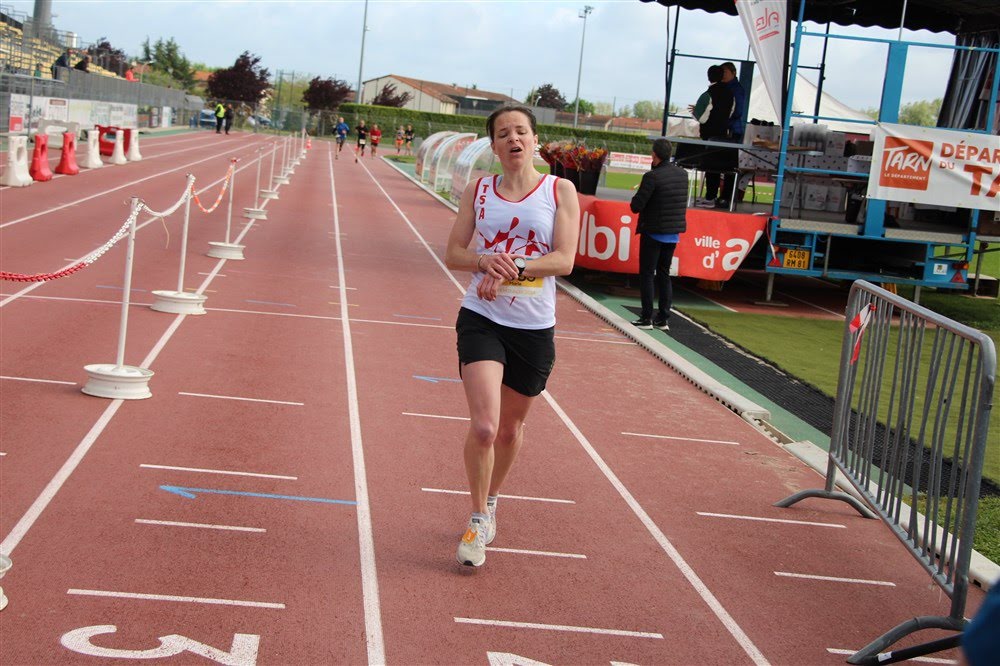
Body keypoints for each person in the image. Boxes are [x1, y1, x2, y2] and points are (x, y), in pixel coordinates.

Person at [444, 105, 580, 568]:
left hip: (533, 325)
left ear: (535, 140)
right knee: (484, 426)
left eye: (521, 131)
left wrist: (517, 266)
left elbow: (564, 260)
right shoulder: (478, 190)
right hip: (481, 316)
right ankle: (478, 518)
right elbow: (454, 252)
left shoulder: (559, 190)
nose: (513, 139)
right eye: (504, 134)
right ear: (494, 146)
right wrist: (484, 261)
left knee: (509, 429)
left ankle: (494, 497)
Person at [629, 138, 688, 331]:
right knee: (664, 274)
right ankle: (663, 318)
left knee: (647, 274)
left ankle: (646, 317)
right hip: (673, 233)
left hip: (653, 231)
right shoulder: (682, 175)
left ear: (654, 155)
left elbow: (636, 206)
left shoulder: (652, 177)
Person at [687, 64, 734, 208]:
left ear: (709, 77)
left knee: (710, 167)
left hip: (709, 135)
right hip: (724, 135)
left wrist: (695, 111)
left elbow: (701, 118)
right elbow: (731, 113)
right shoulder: (730, 94)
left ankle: (710, 197)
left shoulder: (707, 94)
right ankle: (717, 198)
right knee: (720, 167)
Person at [721, 61, 749, 202]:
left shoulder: (736, 89)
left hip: (732, 131)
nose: (722, 75)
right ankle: (722, 196)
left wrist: (723, 119)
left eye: (725, 72)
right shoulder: (722, 88)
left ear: (733, 73)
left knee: (729, 165)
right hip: (725, 129)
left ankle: (728, 197)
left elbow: (738, 111)